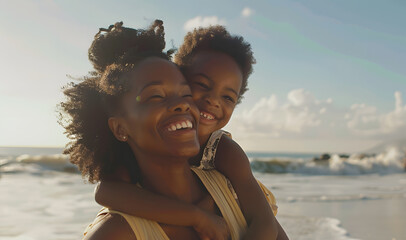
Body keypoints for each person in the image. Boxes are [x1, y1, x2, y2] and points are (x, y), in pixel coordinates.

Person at [94, 25, 289, 240]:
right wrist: (196, 217)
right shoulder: (136, 156)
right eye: (201, 85)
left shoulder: (223, 151)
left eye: (227, 98)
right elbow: (107, 193)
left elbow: (264, 221)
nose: (213, 101)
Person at [60, 20, 249, 240]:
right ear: (120, 128)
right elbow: (105, 191)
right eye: (156, 95)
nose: (182, 104)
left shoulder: (228, 185)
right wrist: (195, 217)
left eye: (186, 93)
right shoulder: (115, 233)